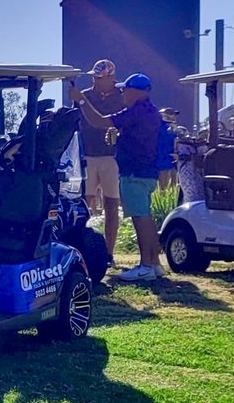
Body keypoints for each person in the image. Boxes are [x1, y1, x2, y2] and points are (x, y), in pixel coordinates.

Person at [69, 72, 163, 282]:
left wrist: (82, 100)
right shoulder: (151, 111)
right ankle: (154, 263)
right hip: (146, 171)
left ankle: (145, 266)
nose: (122, 93)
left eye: (125, 89)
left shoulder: (136, 111)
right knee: (146, 217)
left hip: (134, 172)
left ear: (134, 91)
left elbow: (99, 121)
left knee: (141, 219)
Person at [73, 59, 128, 264]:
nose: (96, 81)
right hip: (87, 155)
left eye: (100, 78)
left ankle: (109, 253)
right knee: (84, 204)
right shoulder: (85, 95)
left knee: (111, 204)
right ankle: (83, 250)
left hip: (112, 157)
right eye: (94, 78)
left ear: (111, 78)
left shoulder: (122, 97)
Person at [156, 107, 181, 190]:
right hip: (162, 161)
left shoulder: (173, 128)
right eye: (171, 114)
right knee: (163, 187)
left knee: (174, 186)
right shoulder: (161, 128)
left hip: (172, 161)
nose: (174, 117)